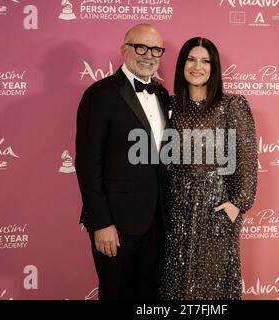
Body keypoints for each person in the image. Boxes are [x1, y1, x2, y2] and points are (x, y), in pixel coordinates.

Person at [75, 24, 169, 300]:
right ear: (124, 49)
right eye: (140, 47)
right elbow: (87, 163)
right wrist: (101, 222)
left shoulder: (163, 95)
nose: (148, 55)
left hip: (157, 220)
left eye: (155, 50)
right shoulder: (100, 94)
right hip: (116, 224)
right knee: (116, 293)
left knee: (149, 295)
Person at [160, 37, 258, 300]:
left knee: (213, 281)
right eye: (191, 59)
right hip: (176, 205)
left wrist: (238, 203)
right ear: (182, 64)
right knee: (175, 281)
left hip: (217, 205)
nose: (197, 66)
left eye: (205, 61)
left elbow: (246, 157)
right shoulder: (169, 105)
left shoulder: (231, 105)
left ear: (214, 68)